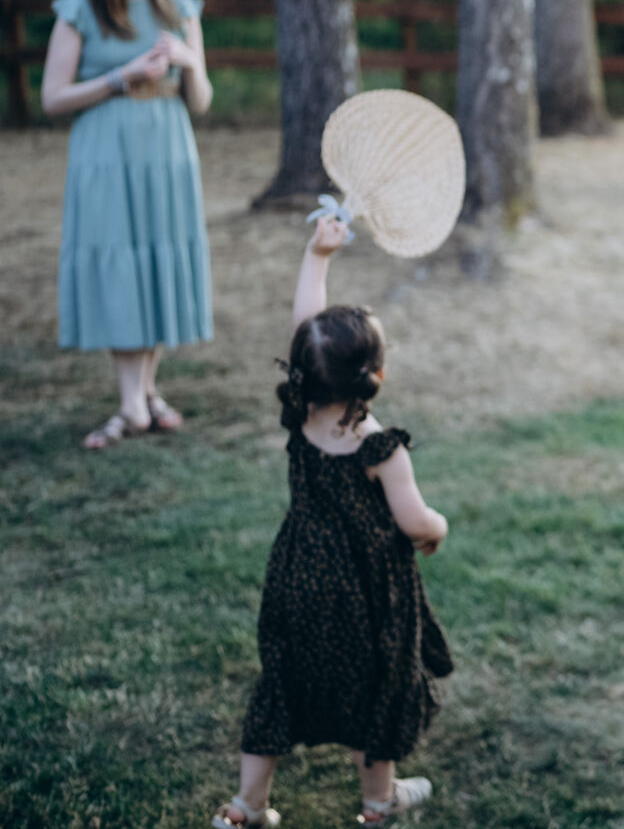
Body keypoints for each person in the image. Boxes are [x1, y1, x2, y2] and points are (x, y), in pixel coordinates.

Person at [215, 216, 453, 828]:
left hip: (296, 575)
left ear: (306, 369)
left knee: (282, 682)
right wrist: (438, 528)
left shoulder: (301, 412)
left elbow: (309, 330)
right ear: (376, 376)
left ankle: (246, 806)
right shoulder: (380, 448)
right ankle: (378, 804)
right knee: (374, 687)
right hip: (367, 591)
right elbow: (414, 522)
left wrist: (317, 255)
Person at [40, 0, 214, 449]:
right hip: (105, 151)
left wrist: (189, 62)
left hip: (168, 149)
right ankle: (131, 402)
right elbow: (52, 98)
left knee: (158, 257)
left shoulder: (181, 10)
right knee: (120, 259)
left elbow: (201, 102)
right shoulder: (80, 11)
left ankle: (145, 392)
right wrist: (122, 76)